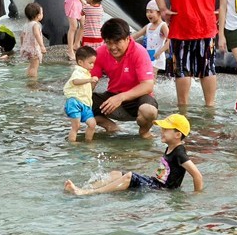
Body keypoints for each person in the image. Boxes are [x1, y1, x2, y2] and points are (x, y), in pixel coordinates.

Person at [152, 0, 225, 107]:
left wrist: (163, 9)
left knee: (182, 69)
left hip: (180, 25)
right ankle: (210, 105)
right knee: (207, 68)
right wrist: (222, 9)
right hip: (206, 24)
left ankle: (183, 107)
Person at [64, 114, 203, 195]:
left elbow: (197, 175)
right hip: (155, 183)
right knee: (116, 173)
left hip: (162, 190)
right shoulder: (171, 147)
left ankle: (87, 193)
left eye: (166, 130)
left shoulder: (179, 153)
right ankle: (85, 188)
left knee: (129, 176)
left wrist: (196, 195)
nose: (161, 131)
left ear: (178, 134)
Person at [90, 18, 158, 137]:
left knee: (149, 111)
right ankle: (111, 126)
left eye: (117, 42)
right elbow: (91, 80)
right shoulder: (101, 52)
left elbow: (148, 85)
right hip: (111, 98)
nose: (113, 47)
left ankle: (144, 132)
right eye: (108, 42)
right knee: (76, 103)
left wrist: (121, 97)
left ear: (127, 38)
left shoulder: (139, 52)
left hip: (137, 99)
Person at [64, 46, 99, 142]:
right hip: (75, 102)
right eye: (90, 63)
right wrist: (89, 80)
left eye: (93, 63)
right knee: (76, 126)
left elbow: (88, 90)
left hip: (85, 103)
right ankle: (72, 144)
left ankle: (88, 142)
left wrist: (93, 83)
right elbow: (75, 81)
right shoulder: (78, 71)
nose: (92, 65)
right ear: (80, 62)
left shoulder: (87, 74)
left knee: (92, 124)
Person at [132, 0, 170, 74]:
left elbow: (169, 41)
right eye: (147, 12)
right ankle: (153, 85)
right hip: (149, 54)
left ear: (159, 13)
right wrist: (124, 40)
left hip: (158, 56)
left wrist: (160, 52)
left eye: (151, 12)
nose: (148, 14)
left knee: (151, 74)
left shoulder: (162, 26)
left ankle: (152, 85)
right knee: (147, 75)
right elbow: (137, 35)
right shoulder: (148, 26)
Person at [19, 2, 47, 79]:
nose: (42, 14)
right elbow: (37, 35)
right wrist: (42, 46)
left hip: (27, 48)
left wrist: (22, 46)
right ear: (38, 16)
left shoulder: (26, 24)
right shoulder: (35, 25)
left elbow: (21, 36)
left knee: (31, 65)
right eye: (42, 13)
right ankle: (33, 82)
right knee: (35, 67)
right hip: (34, 49)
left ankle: (28, 77)